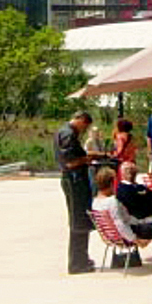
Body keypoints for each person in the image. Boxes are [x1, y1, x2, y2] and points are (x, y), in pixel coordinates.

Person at [55, 111, 104, 274]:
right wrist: (87, 159)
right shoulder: (68, 134)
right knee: (78, 220)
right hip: (74, 180)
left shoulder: (65, 132)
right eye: (85, 126)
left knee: (81, 219)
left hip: (75, 179)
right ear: (80, 120)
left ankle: (82, 258)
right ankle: (77, 262)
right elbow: (69, 162)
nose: (84, 130)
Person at [92, 167, 152, 246]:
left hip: (112, 235)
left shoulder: (95, 202)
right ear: (112, 183)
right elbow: (120, 224)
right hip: (128, 233)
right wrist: (135, 240)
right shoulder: (112, 201)